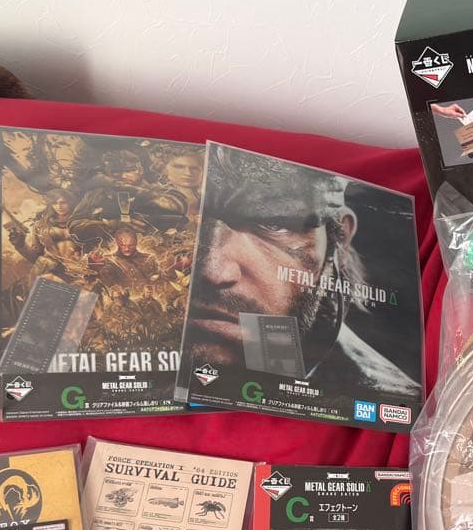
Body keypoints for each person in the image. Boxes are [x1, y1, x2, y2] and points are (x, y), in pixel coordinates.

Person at [185, 146, 419, 399]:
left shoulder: (388, 397)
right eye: (180, 221)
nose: (213, 271)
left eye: (275, 224)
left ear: (339, 239)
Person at [5, 188, 81, 284]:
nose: (59, 206)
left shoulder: (82, 224)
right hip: (48, 271)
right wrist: (21, 245)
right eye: (54, 203)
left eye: (63, 202)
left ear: (70, 202)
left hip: (77, 273)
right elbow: (35, 257)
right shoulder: (41, 225)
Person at [96, 226, 163, 289]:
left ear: (136, 242)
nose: (127, 249)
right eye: (123, 245)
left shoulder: (149, 258)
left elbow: (159, 281)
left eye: (131, 245)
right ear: (117, 243)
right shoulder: (108, 260)